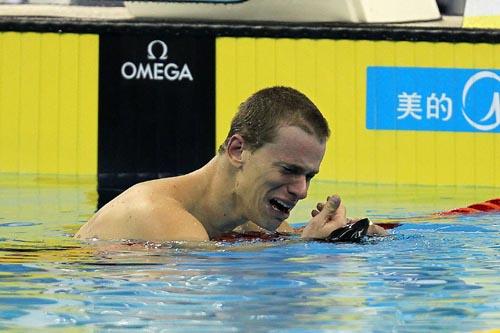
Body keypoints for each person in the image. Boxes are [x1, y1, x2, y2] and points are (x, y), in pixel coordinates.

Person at [75, 86, 387, 242]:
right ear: (238, 149)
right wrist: (306, 249)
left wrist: (340, 234)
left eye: (309, 176)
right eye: (289, 170)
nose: (302, 191)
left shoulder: (253, 218)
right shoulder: (159, 217)